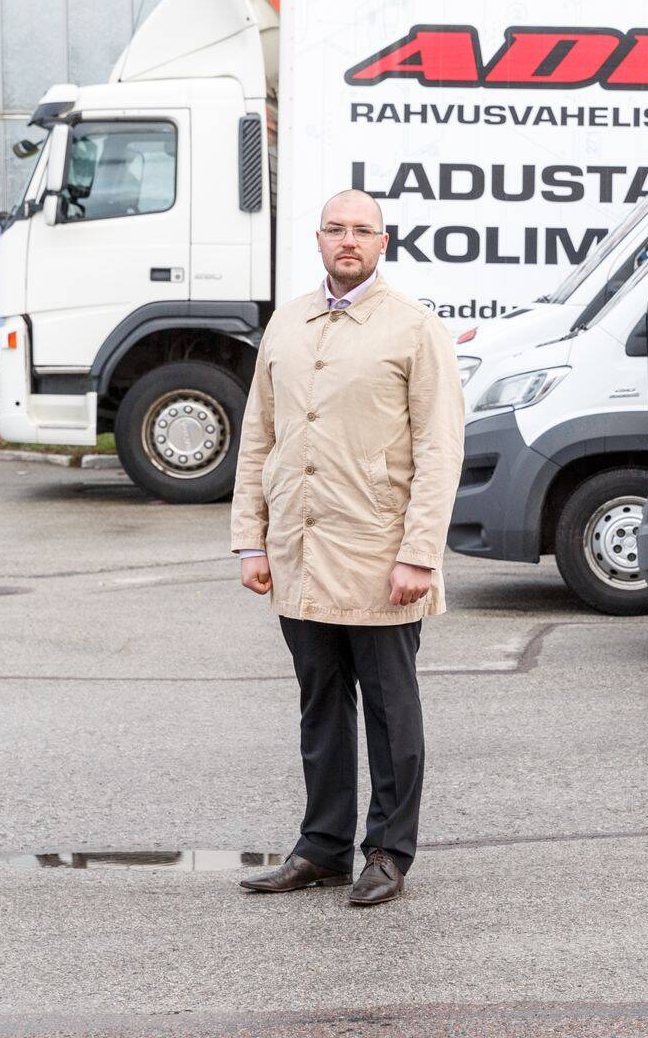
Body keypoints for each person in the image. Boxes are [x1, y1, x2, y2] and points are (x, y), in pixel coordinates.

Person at [230, 189, 463, 907]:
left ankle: (388, 853)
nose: (348, 240)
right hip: (300, 548)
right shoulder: (288, 324)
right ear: (319, 238)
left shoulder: (413, 329)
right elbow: (258, 436)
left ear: (383, 242)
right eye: (336, 228)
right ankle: (323, 847)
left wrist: (419, 553)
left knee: (391, 712)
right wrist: (250, 539)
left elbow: (438, 447)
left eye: (363, 230)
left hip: (377, 551)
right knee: (320, 704)